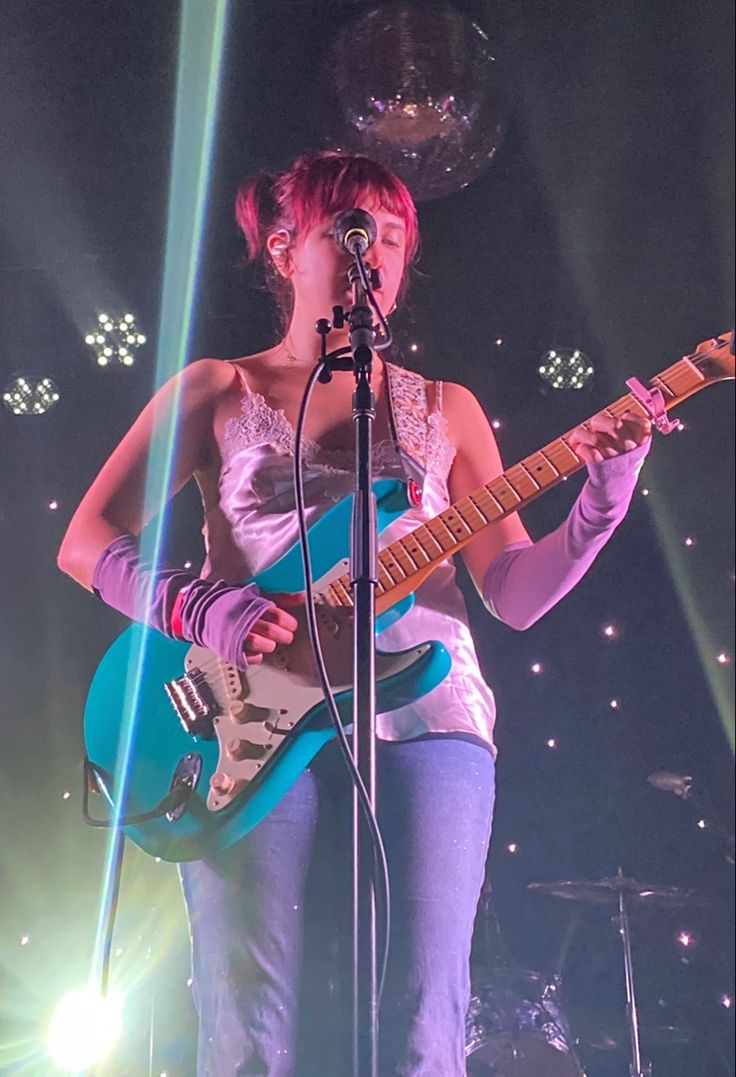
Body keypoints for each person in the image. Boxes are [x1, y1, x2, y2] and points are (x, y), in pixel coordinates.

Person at [57, 150, 651, 1077]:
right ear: (286, 250)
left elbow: (516, 595)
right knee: (250, 1014)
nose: (376, 249)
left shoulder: (448, 408)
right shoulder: (218, 387)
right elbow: (86, 539)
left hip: (428, 712)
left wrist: (602, 500)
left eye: (395, 234)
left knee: (427, 1015)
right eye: (350, 228)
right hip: (238, 712)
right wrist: (199, 606)